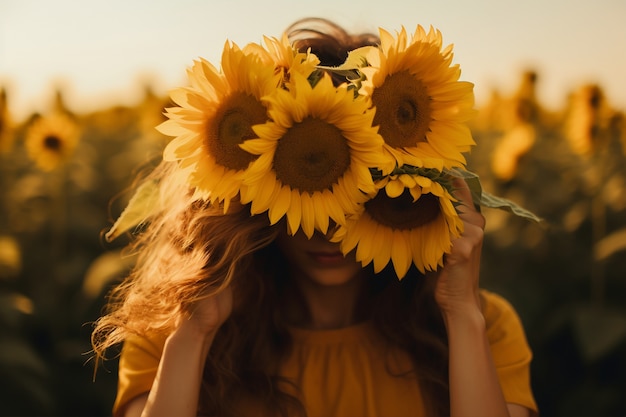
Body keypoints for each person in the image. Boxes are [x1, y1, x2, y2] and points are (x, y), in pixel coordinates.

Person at [91, 17, 538, 417]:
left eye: (364, 194)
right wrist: (195, 331)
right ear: (249, 198)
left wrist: (461, 314)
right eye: (313, 181)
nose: (329, 230)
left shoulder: (483, 328)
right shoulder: (169, 332)